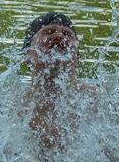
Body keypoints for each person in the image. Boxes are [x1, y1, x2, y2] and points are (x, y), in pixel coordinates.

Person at [20, 12, 101, 150]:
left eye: (67, 34)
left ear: (77, 59)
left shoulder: (96, 99)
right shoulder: (15, 106)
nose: (59, 36)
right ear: (27, 55)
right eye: (49, 31)